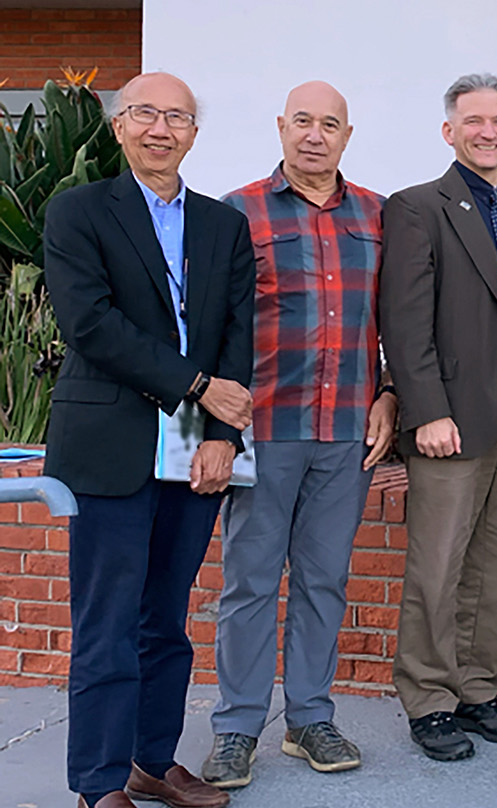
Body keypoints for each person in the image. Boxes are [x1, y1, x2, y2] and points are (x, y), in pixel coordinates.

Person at [43, 72, 254, 808]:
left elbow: (236, 337)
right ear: (119, 125)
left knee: (166, 619)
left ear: (194, 132)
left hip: (197, 452)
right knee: (108, 623)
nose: (160, 128)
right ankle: (99, 785)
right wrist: (197, 388)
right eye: (145, 114)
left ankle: (151, 762)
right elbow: (91, 325)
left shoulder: (223, 225)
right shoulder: (77, 213)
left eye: (177, 117)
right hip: (109, 443)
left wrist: (224, 432)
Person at [200, 81, 395, 788]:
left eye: (331, 125)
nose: (316, 135)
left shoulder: (377, 215)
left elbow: (397, 316)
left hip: (347, 431)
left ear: (349, 134)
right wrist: (214, 425)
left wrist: (393, 393)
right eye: (303, 122)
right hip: (265, 429)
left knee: (324, 580)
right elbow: (212, 324)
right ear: (281, 127)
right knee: (250, 583)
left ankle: (310, 716)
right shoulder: (237, 212)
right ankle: (237, 728)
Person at [379, 73, 497, 762]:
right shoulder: (418, 207)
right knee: (439, 564)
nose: (488, 131)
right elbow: (404, 318)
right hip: (450, 413)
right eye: (474, 120)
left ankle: (478, 687)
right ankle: (429, 699)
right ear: (449, 130)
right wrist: (425, 410)